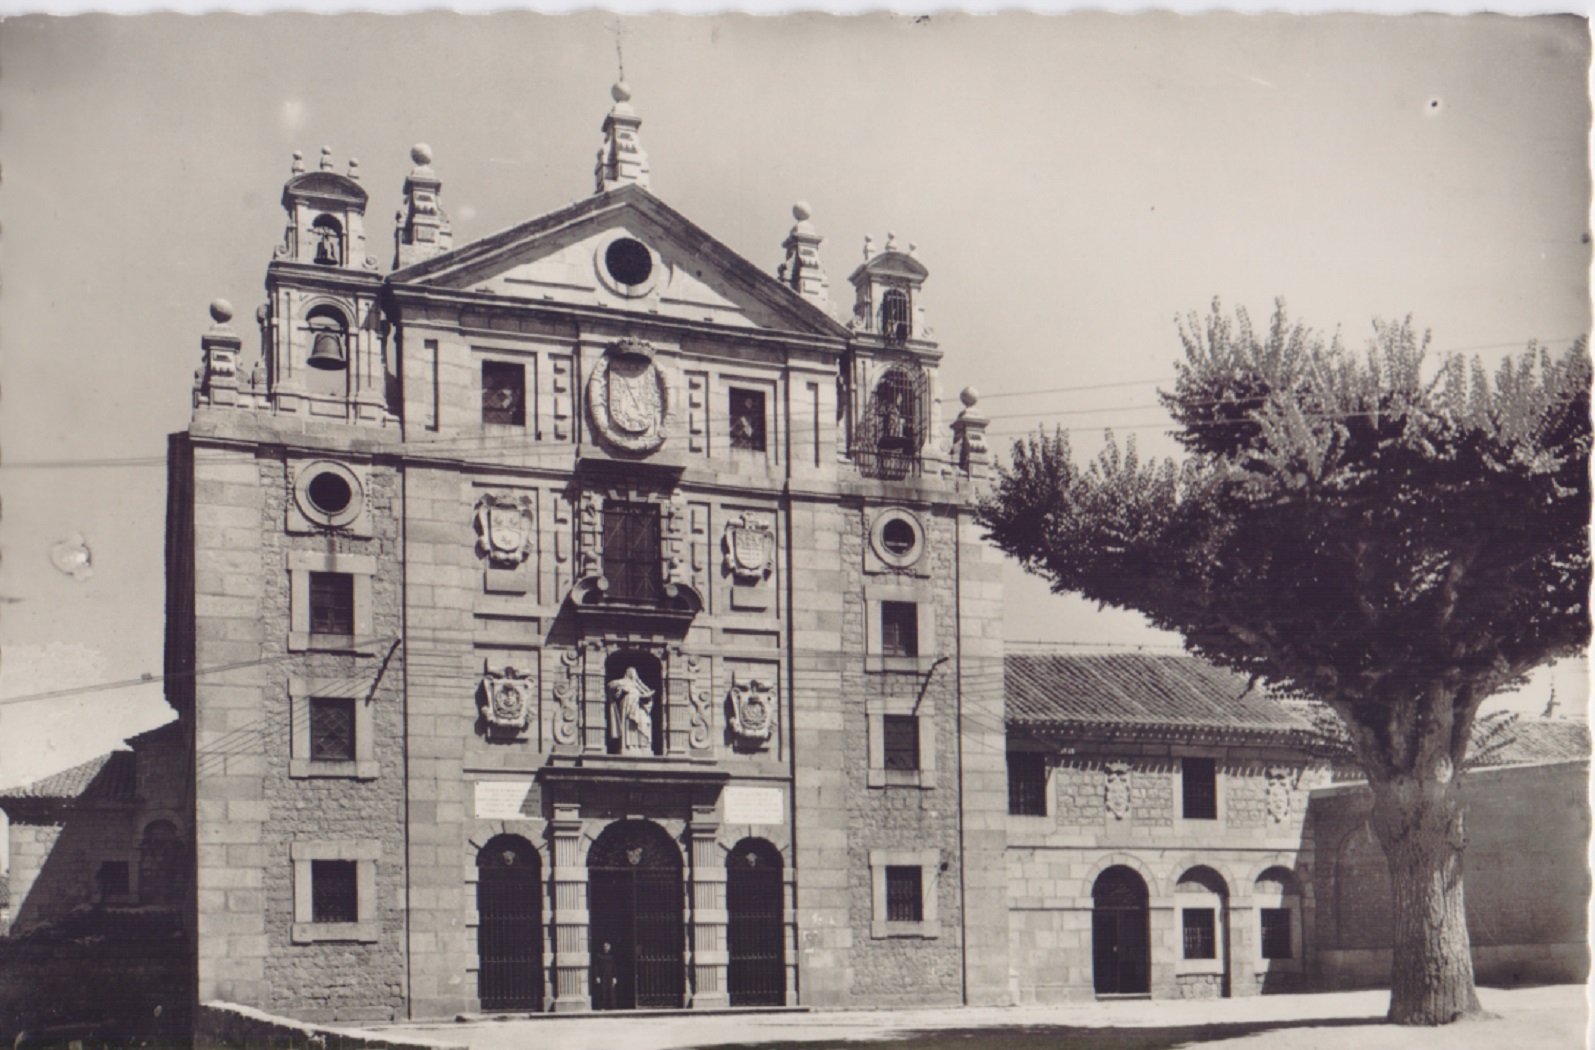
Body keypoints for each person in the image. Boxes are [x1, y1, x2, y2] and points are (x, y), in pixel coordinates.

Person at [592, 941, 617, 1010]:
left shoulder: (612, 956)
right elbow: (596, 967)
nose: (605, 948)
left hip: (610, 976)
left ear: (609, 947)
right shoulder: (599, 956)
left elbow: (614, 967)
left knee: (611, 992)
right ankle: (602, 1007)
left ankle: (612, 1007)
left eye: (607, 946)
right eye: (604, 946)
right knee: (602, 992)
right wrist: (597, 976)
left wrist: (614, 977)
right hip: (602, 976)